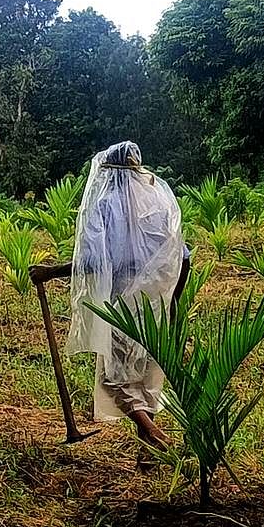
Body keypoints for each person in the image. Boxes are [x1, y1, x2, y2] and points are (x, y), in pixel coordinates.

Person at [67, 142, 186, 447]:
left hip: (123, 301)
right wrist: (173, 303)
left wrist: (50, 272)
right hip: (156, 300)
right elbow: (182, 257)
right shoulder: (160, 201)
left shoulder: (105, 204)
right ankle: (146, 452)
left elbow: (93, 262)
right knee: (147, 374)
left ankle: (153, 433)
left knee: (113, 375)